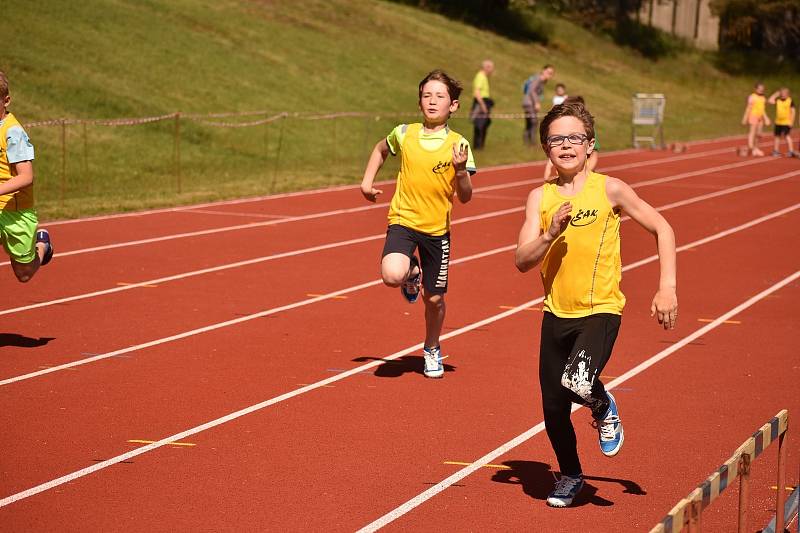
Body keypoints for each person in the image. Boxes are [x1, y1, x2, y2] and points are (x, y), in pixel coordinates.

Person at [515, 100, 677, 508]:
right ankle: (570, 475)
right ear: (545, 149)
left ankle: (603, 405)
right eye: (556, 139)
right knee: (553, 408)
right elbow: (521, 260)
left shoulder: (610, 189)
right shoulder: (540, 197)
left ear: (590, 145)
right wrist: (550, 234)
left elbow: (663, 227)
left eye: (574, 137)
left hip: (599, 310)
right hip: (555, 314)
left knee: (577, 382)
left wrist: (667, 288)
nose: (565, 145)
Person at [360, 69, 476, 379]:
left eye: (440, 96)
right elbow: (380, 149)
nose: (432, 101)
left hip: (437, 231)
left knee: (434, 299)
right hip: (403, 220)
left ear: (453, 106)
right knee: (390, 274)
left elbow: (465, 197)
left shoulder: (459, 144)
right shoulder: (404, 133)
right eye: (427, 95)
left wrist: (461, 170)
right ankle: (411, 272)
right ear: (419, 101)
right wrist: (367, 182)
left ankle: (432, 347)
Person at [0, 71, 53, 282]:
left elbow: (25, 177)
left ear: (6, 100)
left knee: (24, 273)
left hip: (17, 213)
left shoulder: (13, 133)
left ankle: (43, 245)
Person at [543, 96, 598, 180]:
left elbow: (594, 155)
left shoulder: (585, 130)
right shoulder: (539, 193)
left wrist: (586, 174)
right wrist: (548, 169)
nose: (566, 145)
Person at [522, 64, 555, 146]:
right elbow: (531, 90)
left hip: (528, 103)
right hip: (530, 103)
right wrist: (536, 102)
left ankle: (527, 144)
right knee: (534, 122)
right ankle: (532, 144)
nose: (550, 75)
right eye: (548, 72)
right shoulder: (538, 79)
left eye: (551, 73)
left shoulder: (541, 80)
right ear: (543, 71)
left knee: (529, 123)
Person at [470, 60, 494, 150]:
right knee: (480, 126)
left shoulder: (483, 77)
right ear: (487, 67)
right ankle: (478, 147)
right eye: (491, 67)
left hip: (485, 102)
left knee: (484, 125)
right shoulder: (480, 76)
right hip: (481, 103)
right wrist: (483, 105)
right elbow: (477, 92)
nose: (492, 70)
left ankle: (480, 147)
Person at [741, 82, 770, 157]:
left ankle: (756, 147)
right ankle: (751, 148)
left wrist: (766, 118)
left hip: (760, 117)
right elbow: (748, 108)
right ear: (755, 89)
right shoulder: (752, 97)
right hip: (753, 115)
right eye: (759, 89)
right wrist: (745, 118)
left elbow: (763, 109)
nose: (761, 91)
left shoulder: (763, 98)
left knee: (759, 134)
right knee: (752, 132)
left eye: (762, 90)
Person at [768, 87, 797, 157]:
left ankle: (791, 150)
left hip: (786, 122)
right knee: (777, 136)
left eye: (784, 93)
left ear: (788, 94)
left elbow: (793, 112)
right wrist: (775, 94)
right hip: (778, 122)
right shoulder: (778, 100)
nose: (783, 94)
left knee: (787, 136)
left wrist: (791, 122)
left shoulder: (790, 101)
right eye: (782, 93)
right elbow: (769, 101)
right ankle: (776, 151)